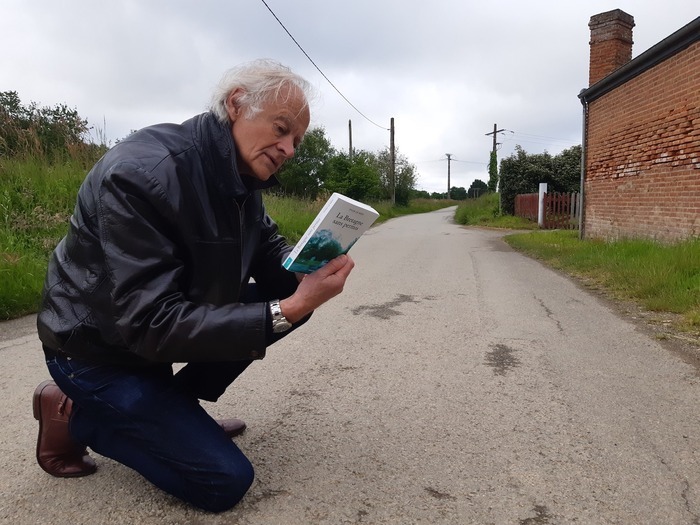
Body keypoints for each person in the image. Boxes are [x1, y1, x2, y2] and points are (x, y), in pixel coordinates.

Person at [32, 59, 355, 513]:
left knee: (289, 304)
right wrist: (292, 307)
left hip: (155, 339)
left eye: (296, 141)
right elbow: (151, 323)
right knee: (224, 483)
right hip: (96, 352)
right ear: (237, 104)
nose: (289, 149)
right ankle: (75, 415)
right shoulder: (141, 174)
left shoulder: (242, 179)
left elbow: (271, 256)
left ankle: (174, 413)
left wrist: (309, 268)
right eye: (282, 130)